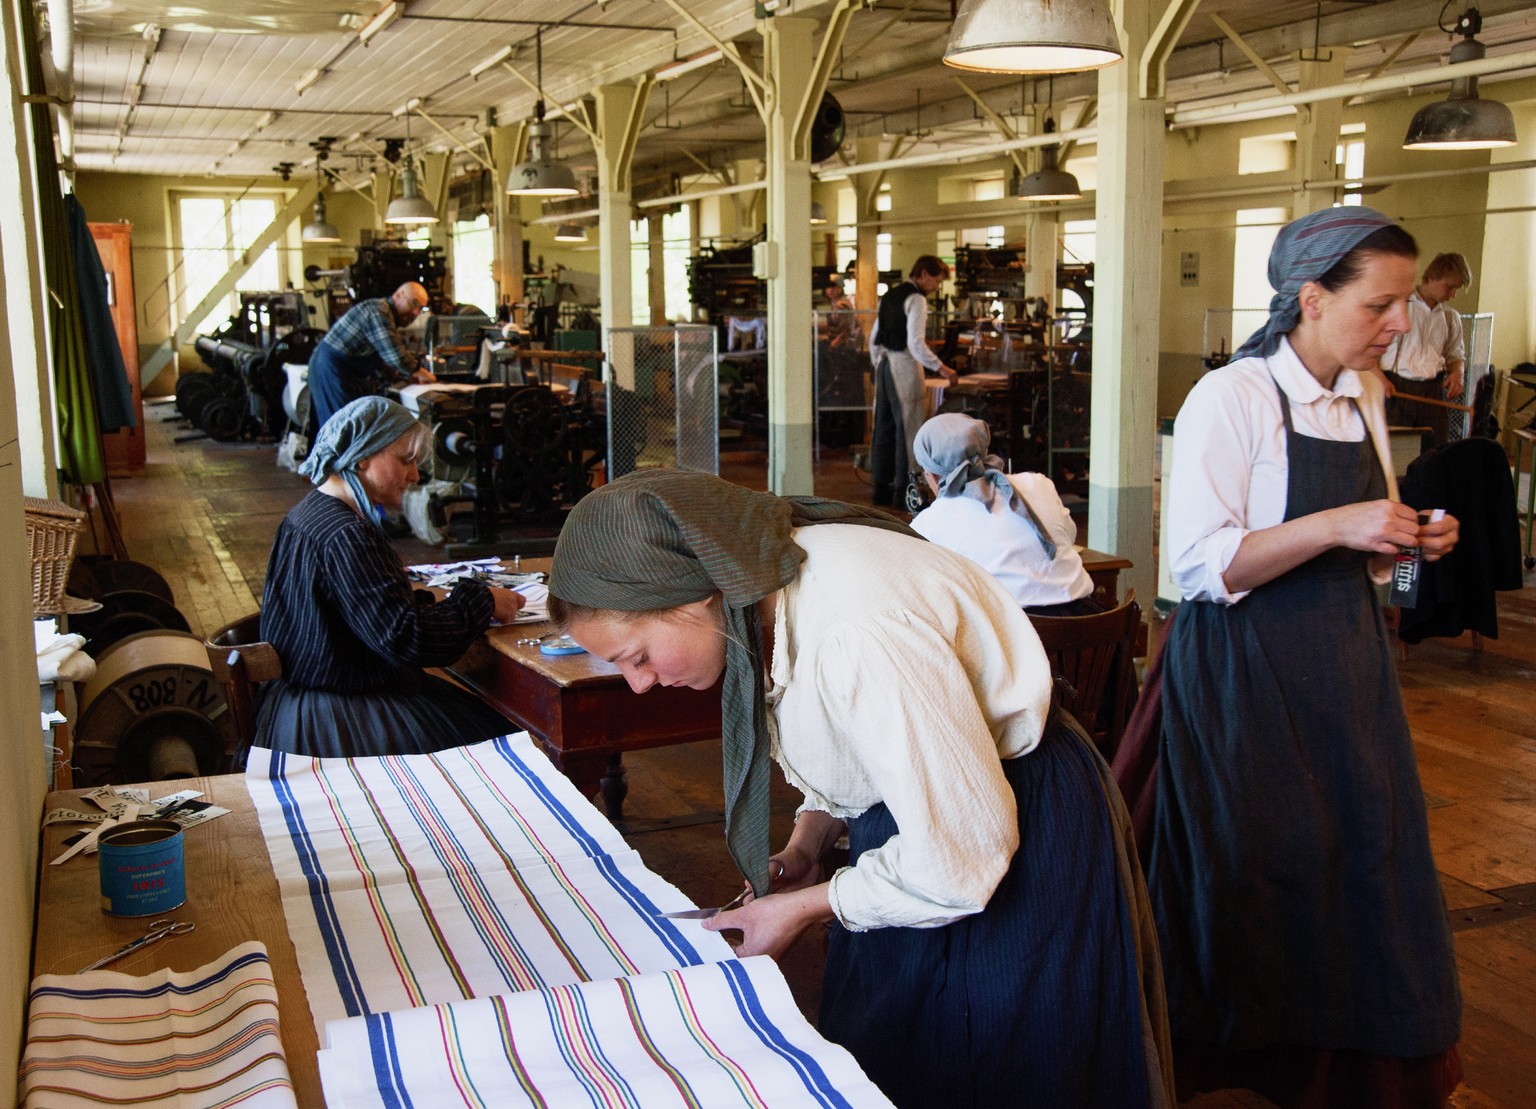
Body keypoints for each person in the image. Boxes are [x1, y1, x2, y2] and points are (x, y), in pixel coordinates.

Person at [546, 469, 1175, 1109]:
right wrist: (806, 845)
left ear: (692, 597)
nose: (639, 685)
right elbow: (866, 745)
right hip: (933, 819)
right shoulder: (776, 588)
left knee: (992, 1063)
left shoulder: (856, 630)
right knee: (907, 1053)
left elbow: (960, 859)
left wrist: (799, 907)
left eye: (638, 655)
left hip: (1003, 826)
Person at [1157, 206, 1463, 1106]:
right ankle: (1250, 1054)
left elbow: (1357, 554)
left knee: (1363, 844)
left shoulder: (1366, 392)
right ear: (1312, 296)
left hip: (1344, 657)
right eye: (1382, 304)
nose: (1400, 324)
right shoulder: (1235, 397)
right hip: (1246, 664)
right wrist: (1341, 521)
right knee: (1265, 852)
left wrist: (1398, 544)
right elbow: (1203, 563)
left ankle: (1347, 1056)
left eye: (1403, 303)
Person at [253, 396, 524, 759]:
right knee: (506, 748)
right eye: (405, 460)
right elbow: (408, 639)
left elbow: (365, 614)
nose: (414, 475)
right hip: (338, 718)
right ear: (362, 456)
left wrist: (428, 602)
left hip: (298, 708)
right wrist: (483, 601)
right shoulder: (347, 534)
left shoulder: (306, 515)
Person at [909, 412, 1098, 615]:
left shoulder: (928, 523)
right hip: (1090, 632)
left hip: (1014, 639)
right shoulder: (1038, 483)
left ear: (933, 476)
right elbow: (1067, 535)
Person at [868, 255, 957, 507]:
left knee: (883, 427)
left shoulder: (889, 296)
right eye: (937, 282)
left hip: (884, 364)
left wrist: (879, 365)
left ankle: (880, 489)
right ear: (925, 274)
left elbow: (874, 337)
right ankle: (904, 492)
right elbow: (915, 343)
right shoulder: (916, 299)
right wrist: (943, 368)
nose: (936, 288)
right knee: (908, 428)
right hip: (904, 365)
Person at [307, 282, 438, 432]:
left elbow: (382, 358)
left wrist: (399, 377)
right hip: (332, 369)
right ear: (398, 295)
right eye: (414, 303)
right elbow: (395, 356)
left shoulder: (386, 317)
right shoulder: (378, 312)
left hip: (342, 370)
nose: (416, 312)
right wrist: (419, 372)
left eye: (421, 308)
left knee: (351, 426)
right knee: (342, 429)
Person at [1376, 251, 1471, 447]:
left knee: (1435, 453)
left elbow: (1455, 354)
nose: (1453, 294)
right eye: (1451, 287)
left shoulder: (1450, 318)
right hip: (1396, 389)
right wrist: (1379, 377)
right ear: (1434, 277)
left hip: (1432, 391)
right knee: (1397, 453)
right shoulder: (1399, 306)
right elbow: (1371, 347)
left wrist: (1457, 373)